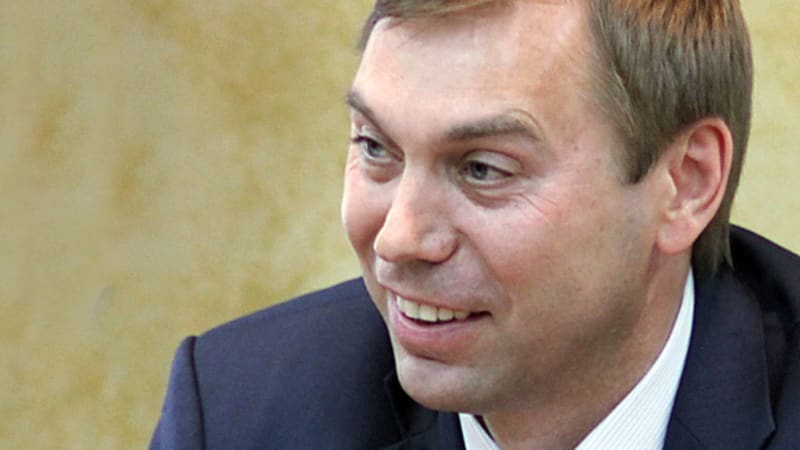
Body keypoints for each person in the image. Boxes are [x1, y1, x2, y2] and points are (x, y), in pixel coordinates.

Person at [150, 0, 800, 449]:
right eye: (375, 147)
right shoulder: (238, 413)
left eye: (483, 169)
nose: (398, 240)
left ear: (686, 183)